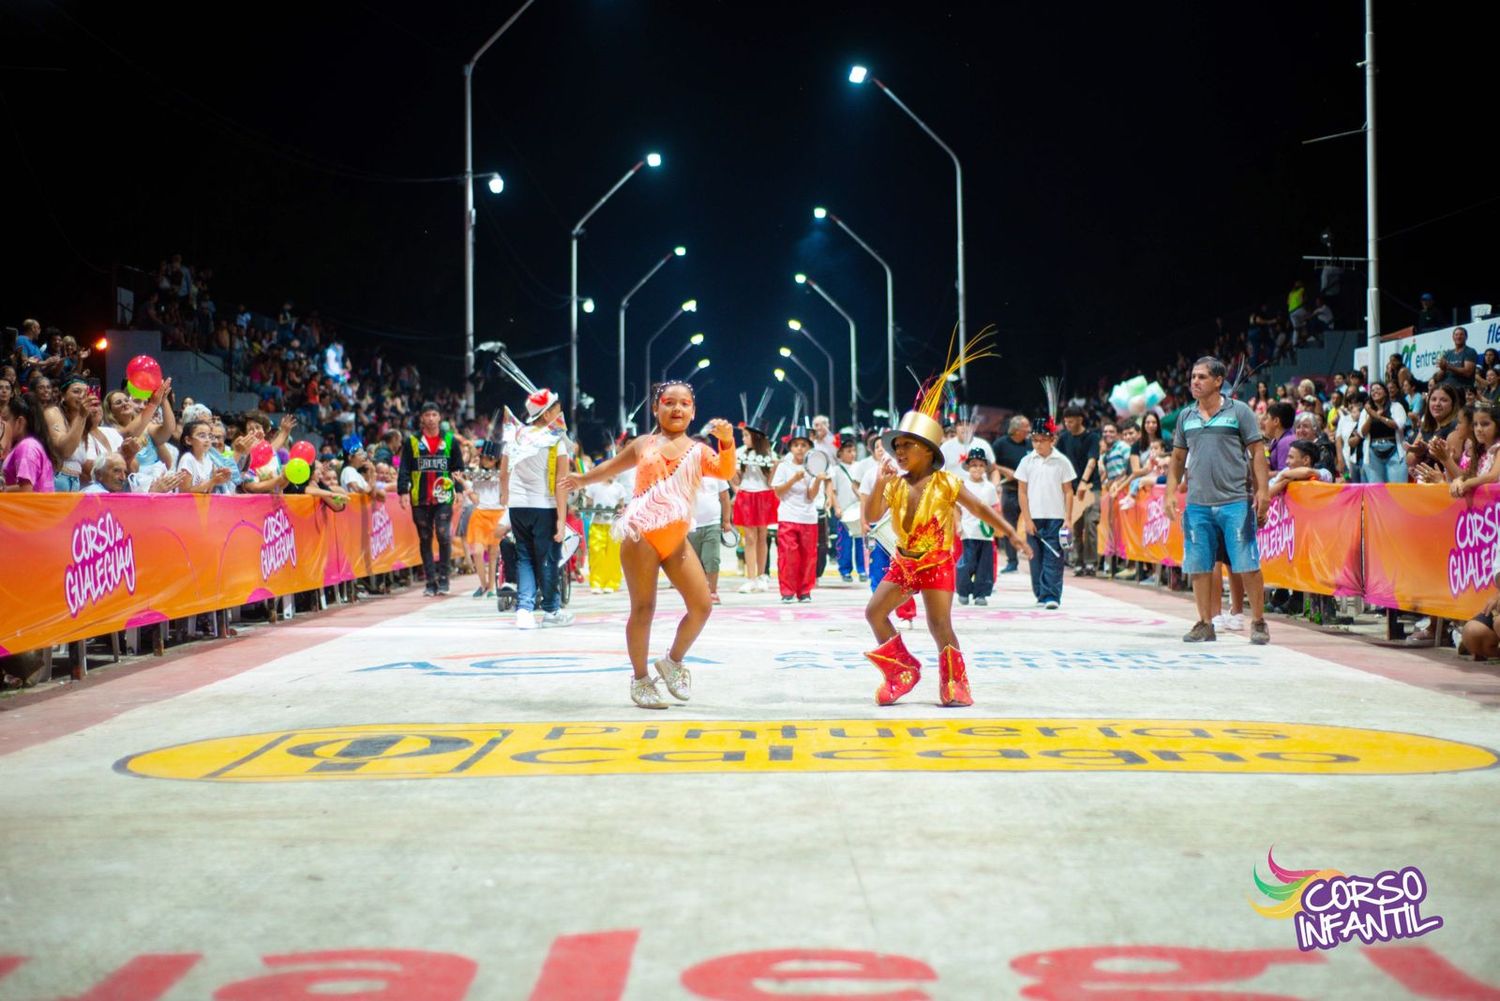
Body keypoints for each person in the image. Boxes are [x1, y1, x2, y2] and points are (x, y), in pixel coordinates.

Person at [861, 346, 1031, 707]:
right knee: (874, 612)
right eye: (898, 446)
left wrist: (1012, 532)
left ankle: (954, 683)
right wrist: (878, 480)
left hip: (937, 562)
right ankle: (901, 670)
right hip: (904, 562)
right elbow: (873, 515)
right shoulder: (893, 483)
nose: (900, 452)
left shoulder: (946, 483)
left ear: (928, 450)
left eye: (908, 446)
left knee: (940, 626)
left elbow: (981, 507)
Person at [558, 381, 736, 709]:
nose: (677, 409)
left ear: (693, 411)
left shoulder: (699, 451)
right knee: (644, 609)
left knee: (702, 606)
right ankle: (640, 679)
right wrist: (582, 480)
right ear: (656, 408)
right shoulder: (644, 444)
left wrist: (727, 442)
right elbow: (612, 467)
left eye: (684, 404)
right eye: (669, 403)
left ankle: (672, 661)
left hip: (677, 539)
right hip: (642, 536)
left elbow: (726, 470)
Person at [1164, 356, 1271, 645]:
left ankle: (1258, 622)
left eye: (1201, 377)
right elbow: (1177, 458)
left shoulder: (1239, 412)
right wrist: (1169, 492)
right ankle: (1204, 622)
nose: (1194, 382)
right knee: (1199, 565)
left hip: (1235, 500)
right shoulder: (1186, 416)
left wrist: (1263, 490)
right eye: (1192, 377)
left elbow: (1258, 452)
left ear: (1218, 381)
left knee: (1247, 563)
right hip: (1197, 503)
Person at [503, 389, 573, 625]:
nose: (559, 412)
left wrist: (506, 499)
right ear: (544, 415)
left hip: (517, 506)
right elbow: (561, 485)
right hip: (544, 506)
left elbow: (504, 471)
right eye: (555, 408)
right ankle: (551, 611)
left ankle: (524, 610)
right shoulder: (555, 440)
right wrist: (562, 522)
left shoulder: (515, 434)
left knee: (524, 556)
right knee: (548, 560)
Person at [396, 401, 469, 597]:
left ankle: (444, 577)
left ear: (439, 417)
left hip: (443, 497)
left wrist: (460, 489)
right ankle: (430, 581)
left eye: (434, 415)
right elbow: (404, 468)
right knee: (425, 538)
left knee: (444, 535)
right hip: (419, 499)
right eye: (427, 415)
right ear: (421, 418)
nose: (430, 418)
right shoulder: (412, 441)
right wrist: (403, 491)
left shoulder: (451, 440)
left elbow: (458, 468)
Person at [1016, 418, 1076, 609]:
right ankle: (1040, 594)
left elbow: (1068, 491)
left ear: (1052, 439)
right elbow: (1022, 492)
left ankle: (1052, 595)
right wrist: (1027, 518)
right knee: (1036, 558)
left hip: (1056, 518)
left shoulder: (1062, 461)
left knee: (1054, 557)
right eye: (1035, 440)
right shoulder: (1027, 461)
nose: (1038, 444)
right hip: (1034, 517)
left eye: (1042, 439)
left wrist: (1068, 518)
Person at [772, 425, 825, 603]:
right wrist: (794, 479)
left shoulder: (813, 467)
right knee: (788, 556)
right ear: (791, 447)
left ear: (809, 447)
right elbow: (778, 492)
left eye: (803, 445)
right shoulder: (784, 466)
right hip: (788, 516)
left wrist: (817, 480)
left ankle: (805, 591)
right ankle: (787, 591)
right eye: (796, 445)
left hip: (809, 517)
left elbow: (811, 495)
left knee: (809, 557)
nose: (800, 448)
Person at [1051, 407, 1098, 575]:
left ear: (1080, 419)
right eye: (1065, 421)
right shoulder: (1064, 438)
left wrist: (1084, 482)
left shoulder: (1092, 437)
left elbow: (1092, 460)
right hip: (1071, 488)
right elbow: (1057, 459)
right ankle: (1077, 561)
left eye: (1070, 421)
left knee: (1091, 523)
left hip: (1091, 487)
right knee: (1075, 527)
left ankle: (1091, 562)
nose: (1067, 424)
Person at [731, 424, 777, 593]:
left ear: (756, 437)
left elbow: (772, 483)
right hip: (747, 495)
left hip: (764, 495)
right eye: (743, 436)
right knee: (750, 537)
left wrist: (775, 466)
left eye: (746, 436)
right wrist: (733, 478)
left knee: (762, 536)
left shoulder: (769, 453)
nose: (743, 439)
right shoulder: (739, 453)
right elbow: (735, 479)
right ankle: (750, 578)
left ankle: (761, 576)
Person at [687, 441, 733, 604]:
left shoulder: (716, 473)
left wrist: (726, 521)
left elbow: (725, 497)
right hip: (690, 526)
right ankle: (697, 593)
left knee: (712, 559)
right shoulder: (685, 473)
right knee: (694, 563)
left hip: (712, 524)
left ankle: (712, 592)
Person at [955, 448, 999, 606]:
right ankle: (963, 590)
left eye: (981, 465)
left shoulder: (989, 488)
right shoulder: (963, 486)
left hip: (985, 532)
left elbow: (994, 507)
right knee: (967, 562)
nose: (977, 468)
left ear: (985, 467)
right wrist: (958, 523)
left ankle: (981, 593)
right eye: (973, 465)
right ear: (967, 467)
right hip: (968, 530)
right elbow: (956, 507)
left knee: (985, 564)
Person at [465, 441, 508, 598]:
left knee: (493, 554)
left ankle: (491, 587)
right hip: (480, 515)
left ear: (496, 459)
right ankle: (483, 584)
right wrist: (466, 486)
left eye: (489, 458)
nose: (485, 461)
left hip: (497, 514)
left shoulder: (502, 475)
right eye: (483, 457)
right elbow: (476, 499)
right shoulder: (475, 473)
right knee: (477, 552)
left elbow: (504, 499)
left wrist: (504, 488)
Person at [992, 414, 1034, 574]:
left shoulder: (1030, 444)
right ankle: (1012, 561)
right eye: (1026, 427)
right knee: (1010, 525)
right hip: (1009, 491)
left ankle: (1033, 557)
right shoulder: (1000, 444)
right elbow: (990, 464)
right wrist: (1005, 471)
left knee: (1031, 524)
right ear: (1016, 430)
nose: (1028, 430)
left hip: (1028, 492)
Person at [2, 394, 58, 493]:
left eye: (6, 420)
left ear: (19, 422)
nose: (2, 425)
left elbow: (25, 490)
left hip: (29, 507)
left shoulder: (27, 447)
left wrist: (3, 489)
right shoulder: (30, 445)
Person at [832, 438, 868, 582]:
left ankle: (862, 569)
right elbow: (832, 491)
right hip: (844, 512)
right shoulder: (836, 470)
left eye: (854, 451)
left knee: (861, 542)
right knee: (844, 543)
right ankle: (845, 570)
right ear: (840, 453)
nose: (852, 454)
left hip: (858, 510)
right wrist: (837, 507)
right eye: (848, 451)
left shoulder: (860, 467)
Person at [1436, 326, 1478, 393]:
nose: (1458, 337)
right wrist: (1443, 369)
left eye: (1461, 334)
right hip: (1446, 390)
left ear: (1466, 337)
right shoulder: (1447, 354)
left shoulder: (1470, 351)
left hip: (1462, 390)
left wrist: (1449, 367)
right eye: (1456, 335)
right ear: (1453, 337)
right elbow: (1438, 378)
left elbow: (1468, 372)